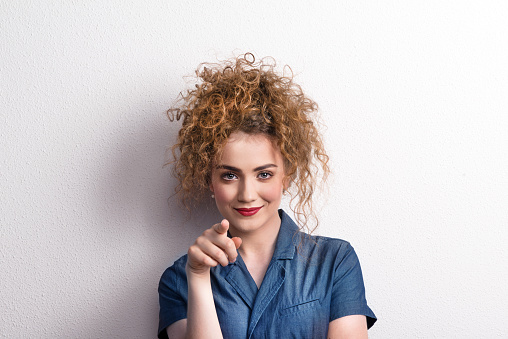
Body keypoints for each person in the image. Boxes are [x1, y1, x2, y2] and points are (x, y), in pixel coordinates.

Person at [158, 53, 376, 338]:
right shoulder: (179, 278)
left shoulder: (335, 261)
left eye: (264, 174)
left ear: (286, 175)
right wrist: (198, 277)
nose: (247, 194)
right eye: (229, 175)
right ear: (209, 180)